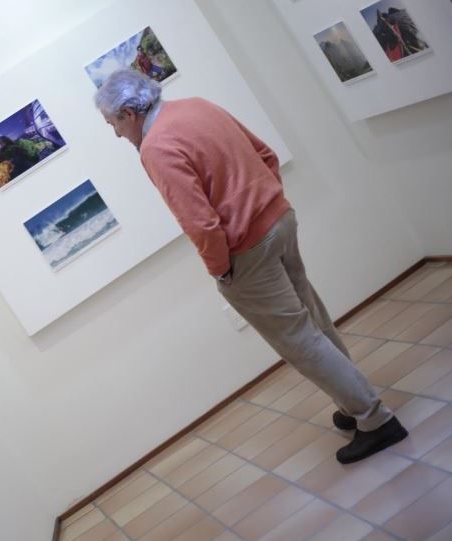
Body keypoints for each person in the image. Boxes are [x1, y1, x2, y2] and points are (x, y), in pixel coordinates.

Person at [93, 69, 407, 464]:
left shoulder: (155, 147)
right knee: (312, 318)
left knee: (299, 340)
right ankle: (352, 404)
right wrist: (266, 204)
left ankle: (375, 419)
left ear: (129, 113)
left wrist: (220, 270)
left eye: (113, 125)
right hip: (280, 219)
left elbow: (199, 222)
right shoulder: (197, 106)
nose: (117, 135)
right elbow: (265, 155)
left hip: (247, 250)